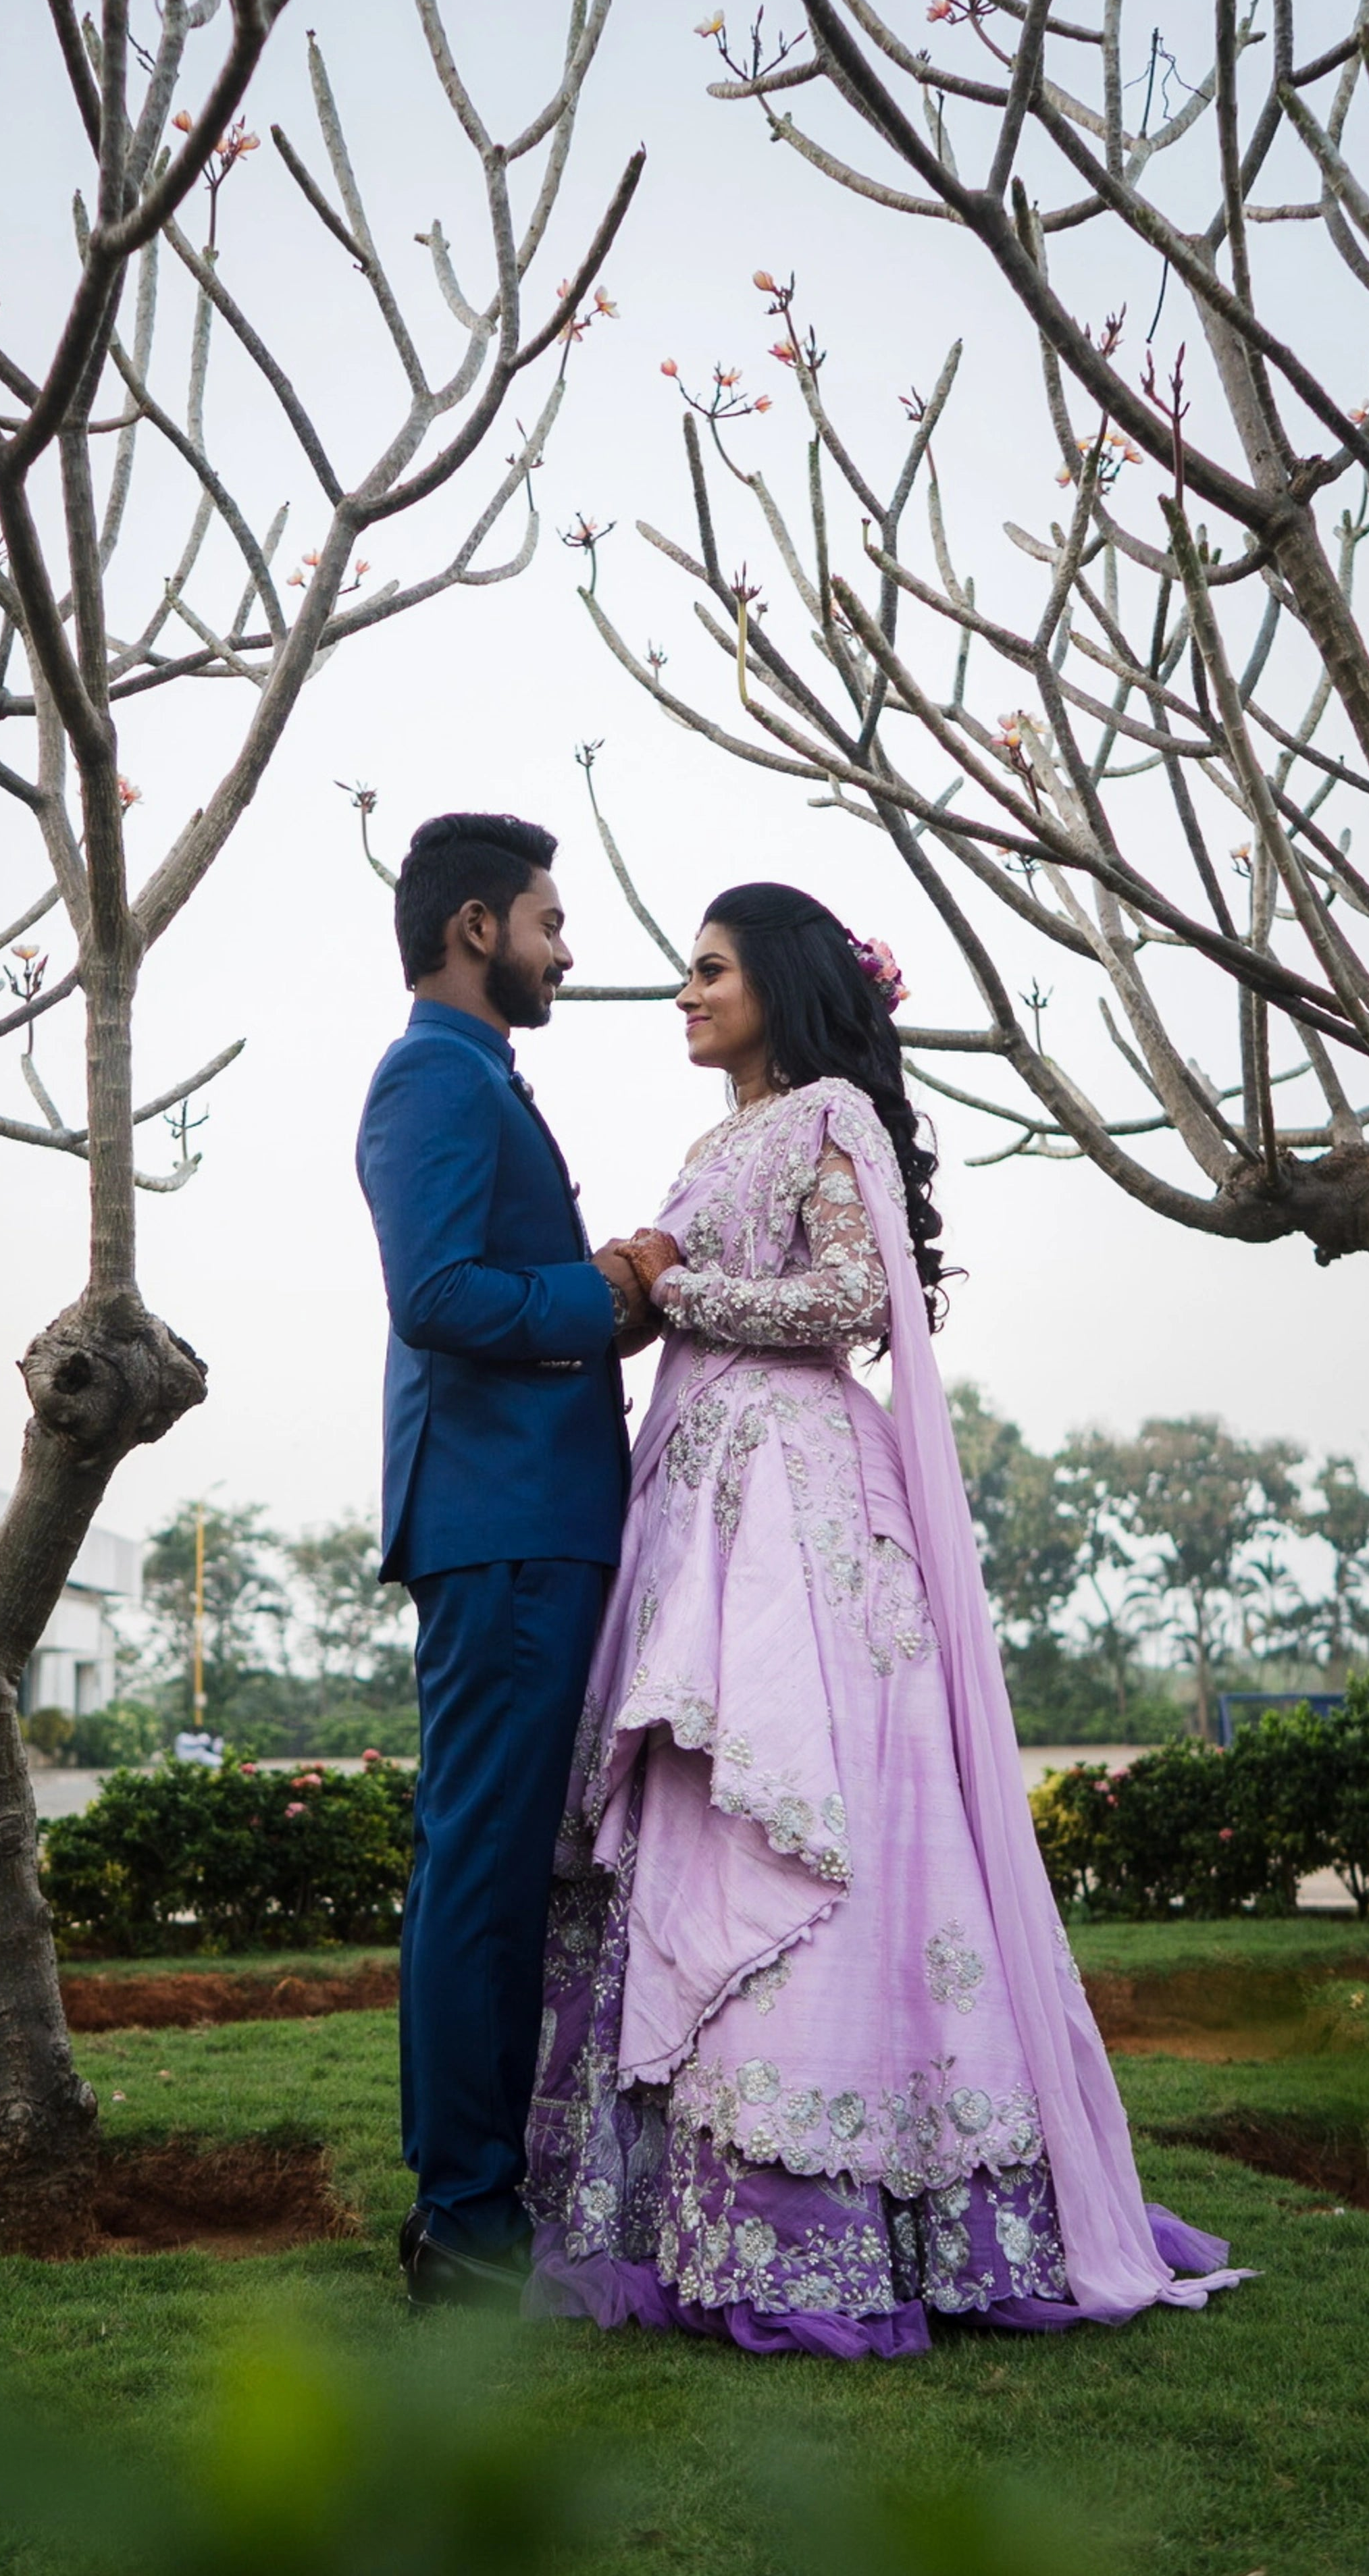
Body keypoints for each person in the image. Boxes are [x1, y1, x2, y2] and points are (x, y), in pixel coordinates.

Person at [523, 882, 1249, 2355]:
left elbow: (858, 1296)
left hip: (796, 1506)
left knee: (806, 1811)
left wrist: (685, 1287)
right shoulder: (708, 1143)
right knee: (700, 1816)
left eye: (710, 969)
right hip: (696, 1501)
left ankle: (863, 2205)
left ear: (781, 985)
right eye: (685, 971)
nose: (685, 993)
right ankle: (691, 2205)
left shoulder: (830, 1114)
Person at [356, 812, 654, 2313]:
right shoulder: (434, 1073)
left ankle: (471, 2206)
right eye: (549, 919)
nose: (566, 949)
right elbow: (438, 1293)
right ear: (478, 926)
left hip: (524, 1521)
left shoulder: (477, 1074)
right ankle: (468, 2224)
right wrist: (603, 1295)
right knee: (481, 1873)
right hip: (505, 1524)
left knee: (484, 1867)